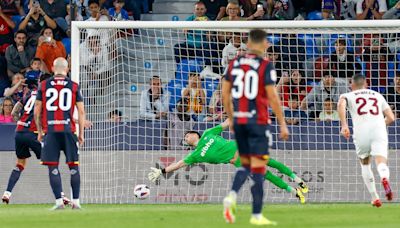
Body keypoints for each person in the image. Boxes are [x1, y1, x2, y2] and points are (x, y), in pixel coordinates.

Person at [148, 119, 307, 203]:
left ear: (193, 133)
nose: (186, 137)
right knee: (267, 175)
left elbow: (226, 123)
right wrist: (162, 171)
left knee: (272, 163)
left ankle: (298, 180)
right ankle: (295, 193)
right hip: (237, 161)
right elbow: (179, 164)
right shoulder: (195, 155)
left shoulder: (208, 133)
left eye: (187, 135)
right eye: (184, 138)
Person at [221, 29, 289, 225]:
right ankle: (257, 215)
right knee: (258, 166)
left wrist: (231, 118)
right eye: (267, 42)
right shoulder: (266, 65)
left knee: (245, 163)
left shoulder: (234, 63)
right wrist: (282, 123)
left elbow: (225, 94)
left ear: (248, 44)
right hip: (258, 121)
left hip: (240, 121)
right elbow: (272, 97)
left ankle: (232, 195)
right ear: (263, 44)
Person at [2, 73, 70, 205]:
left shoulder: (31, 93)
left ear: (39, 82)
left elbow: (14, 111)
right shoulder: (48, 96)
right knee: (52, 163)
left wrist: (21, 123)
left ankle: (7, 193)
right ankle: (61, 196)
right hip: (33, 133)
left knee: (20, 163)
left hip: (19, 132)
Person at [34, 57, 85, 210]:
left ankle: (58, 202)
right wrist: (81, 133)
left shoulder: (43, 85)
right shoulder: (74, 86)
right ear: (67, 69)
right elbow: (81, 112)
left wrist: (40, 131)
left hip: (50, 131)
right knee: (74, 166)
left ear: (52, 67)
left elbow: (37, 111)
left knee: (53, 167)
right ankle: (76, 202)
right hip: (69, 131)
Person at [338, 73, 395, 207]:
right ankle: (384, 178)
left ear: (351, 85)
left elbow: (341, 104)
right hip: (379, 130)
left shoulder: (348, 95)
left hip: (361, 131)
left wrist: (344, 125)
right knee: (381, 160)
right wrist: (380, 124)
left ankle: (375, 197)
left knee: (365, 162)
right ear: (366, 83)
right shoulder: (377, 95)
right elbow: (391, 118)